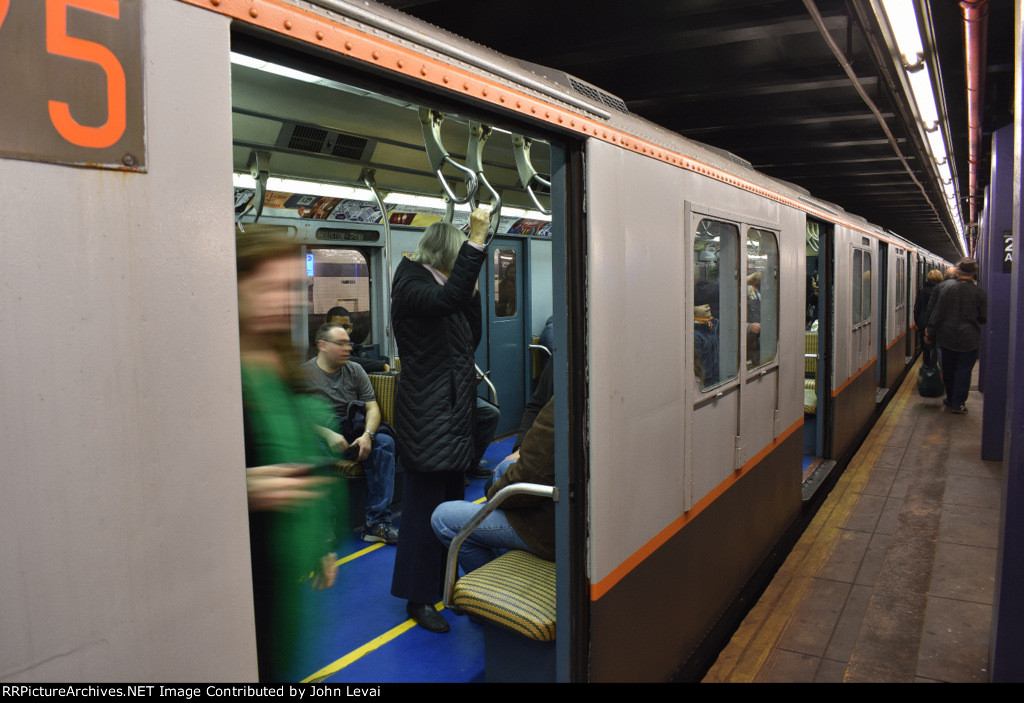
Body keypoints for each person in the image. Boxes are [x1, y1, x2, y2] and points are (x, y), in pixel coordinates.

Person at [236, 225, 341, 682]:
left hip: (284, 566)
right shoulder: (214, 368)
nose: (285, 301)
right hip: (239, 570)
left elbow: (302, 457)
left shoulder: (279, 362)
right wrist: (237, 487)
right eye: (270, 288)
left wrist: (321, 542)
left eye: (292, 289)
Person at [389, 207, 492, 633]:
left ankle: (448, 586)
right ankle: (417, 597)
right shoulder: (410, 285)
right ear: (446, 255)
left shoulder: (446, 286)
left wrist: (470, 286)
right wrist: (478, 242)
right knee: (422, 511)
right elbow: (449, 302)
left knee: (451, 507)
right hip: (426, 415)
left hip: (450, 413)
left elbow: (472, 335)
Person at [431, 397, 556, 574]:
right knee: (504, 469)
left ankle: (496, 588)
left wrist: (494, 495)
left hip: (549, 529)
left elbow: (529, 473)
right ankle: (506, 559)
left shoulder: (561, 404)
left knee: (443, 518)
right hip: (559, 507)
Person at [303, 322, 399, 545]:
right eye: (341, 343)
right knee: (310, 446)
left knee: (384, 442)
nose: (348, 349)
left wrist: (368, 435)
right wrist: (327, 434)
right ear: (322, 345)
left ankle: (377, 522)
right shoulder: (305, 374)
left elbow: (372, 407)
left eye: (349, 343)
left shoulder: (355, 370)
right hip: (320, 432)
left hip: (352, 429)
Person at [925, 258, 988, 414]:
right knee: (964, 371)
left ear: (958, 272)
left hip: (948, 337)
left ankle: (951, 397)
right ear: (974, 273)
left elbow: (937, 314)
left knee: (948, 370)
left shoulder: (947, 290)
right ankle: (958, 403)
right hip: (969, 339)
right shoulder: (979, 292)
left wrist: (930, 334)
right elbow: (984, 317)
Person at [324, 306, 390, 373]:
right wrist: (381, 365)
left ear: (351, 328)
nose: (342, 331)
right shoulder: (324, 348)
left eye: (345, 327)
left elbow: (366, 360)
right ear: (326, 326)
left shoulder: (355, 348)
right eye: (336, 327)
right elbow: (345, 360)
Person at [914, 269, 943, 365]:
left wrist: (917, 323)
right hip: (938, 323)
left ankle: (926, 366)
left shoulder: (922, 291)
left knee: (925, 347)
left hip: (923, 322)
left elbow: (917, 308)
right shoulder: (942, 291)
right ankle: (933, 365)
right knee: (937, 346)